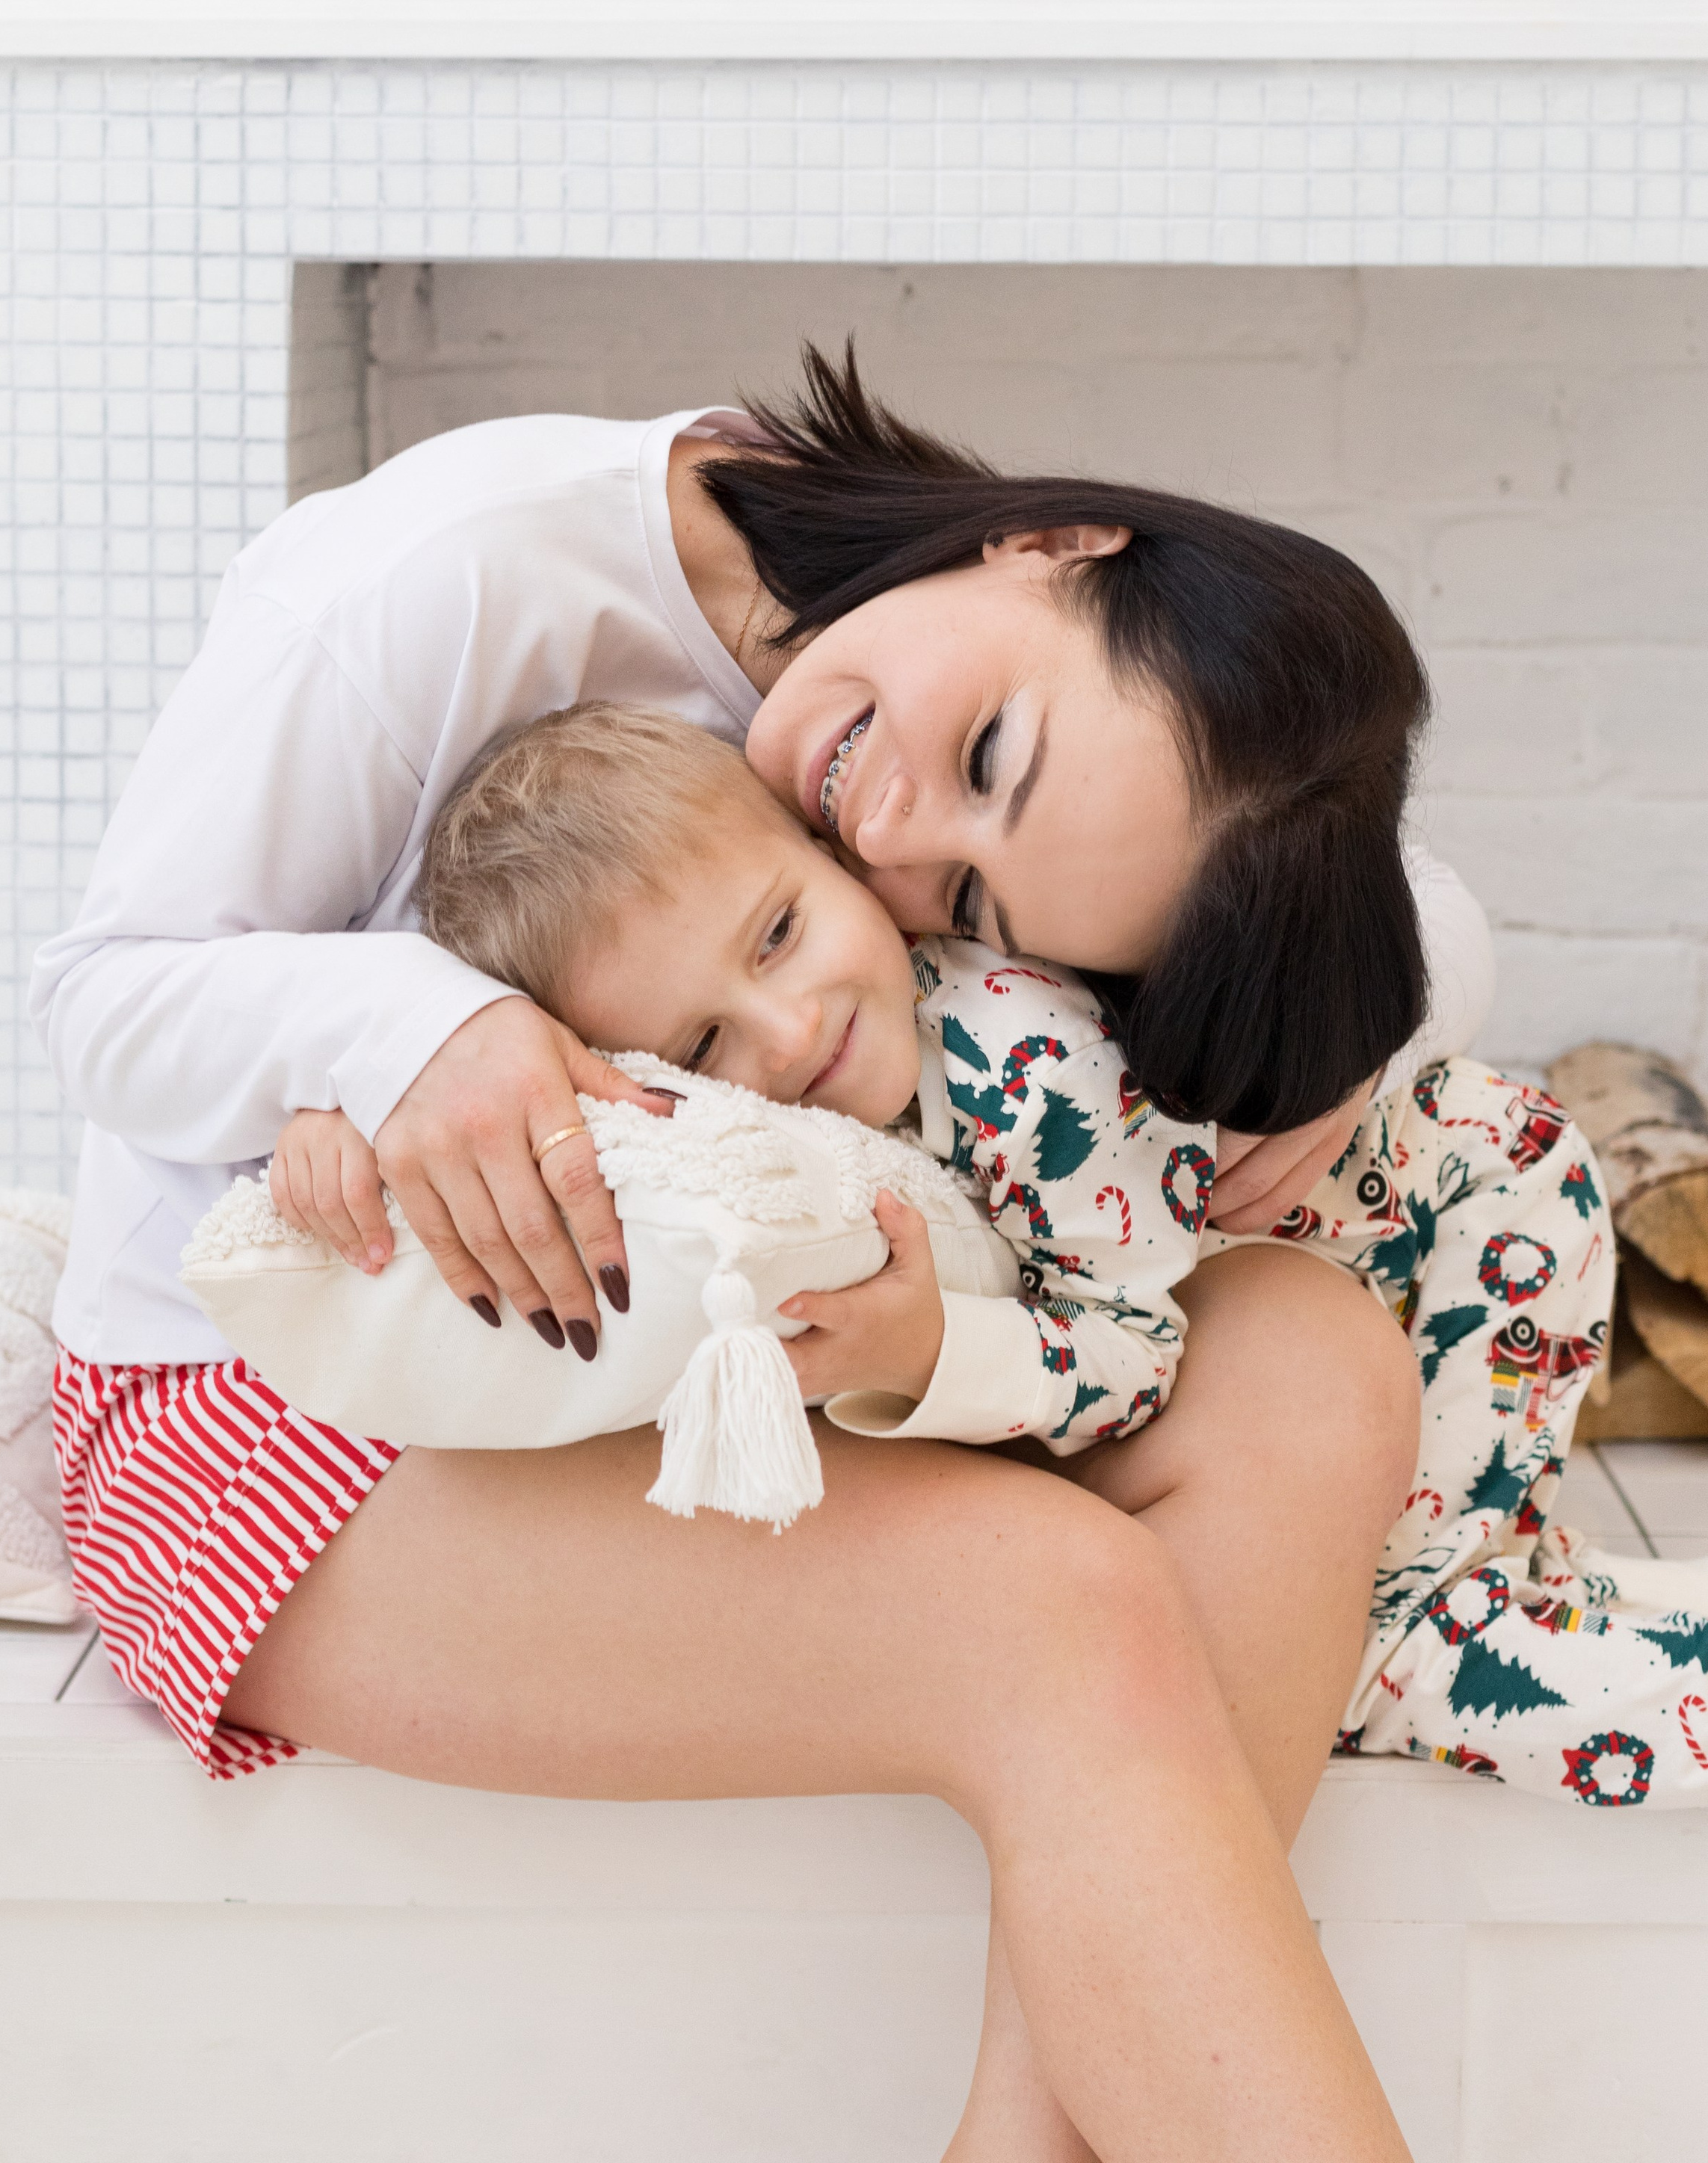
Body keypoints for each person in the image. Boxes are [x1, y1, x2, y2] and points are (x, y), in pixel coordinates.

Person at [35, 348, 1489, 2159]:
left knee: (1313, 1353)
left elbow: (1400, 901)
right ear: (1049, 538)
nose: (887, 838)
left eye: (967, 899)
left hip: (751, 1341)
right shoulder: (453, 572)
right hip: (298, 1409)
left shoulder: (959, 661)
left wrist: (1336, 1038)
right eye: (983, 759)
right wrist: (407, 1028)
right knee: (1057, 1606)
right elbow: (102, 997)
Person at [383, 700, 1707, 1813]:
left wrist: (931, 1355)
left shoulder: (1019, 1058)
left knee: (1442, 1620)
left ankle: (1403, 1633)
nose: (784, 1038)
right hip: (1298, 1300)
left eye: (781, 933)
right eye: (705, 1050)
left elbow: (1133, 1355)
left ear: (837, 856)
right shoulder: (818, 1109)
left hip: (1472, 1225)